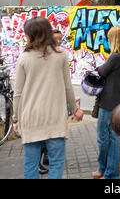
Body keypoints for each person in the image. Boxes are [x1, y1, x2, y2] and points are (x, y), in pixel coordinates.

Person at [13, 16, 84, 179]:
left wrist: (16, 119)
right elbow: (67, 86)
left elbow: (18, 93)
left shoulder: (24, 58)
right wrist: (75, 109)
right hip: (55, 119)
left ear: (31, 35)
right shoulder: (61, 55)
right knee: (57, 162)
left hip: (31, 118)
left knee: (30, 164)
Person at [92, 26, 120, 180]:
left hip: (108, 102)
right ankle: (106, 170)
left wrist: (99, 67)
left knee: (104, 137)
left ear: (114, 39)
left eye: (109, 38)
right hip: (117, 100)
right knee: (112, 137)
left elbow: (101, 72)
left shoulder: (115, 57)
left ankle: (108, 172)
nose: (108, 41)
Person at [39, 28, 63, 175]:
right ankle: (39, 162)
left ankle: (46, 157)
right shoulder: (44, 56)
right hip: (43, 104)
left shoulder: (60, 55)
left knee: (50, 134)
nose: (59, 42)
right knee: (42, 136)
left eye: (60, 39)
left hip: (55, 102)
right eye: (56, 39)